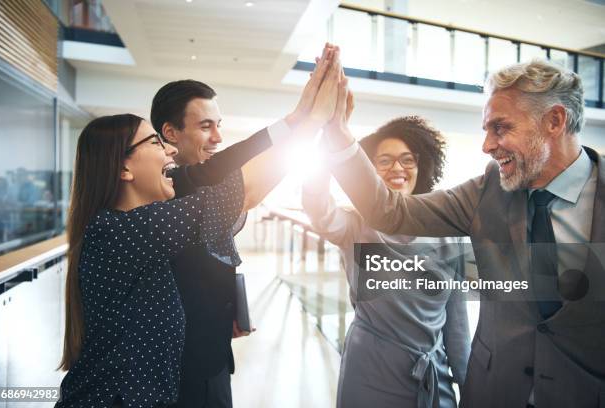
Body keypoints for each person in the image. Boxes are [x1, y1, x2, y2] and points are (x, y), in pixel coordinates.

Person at [57, 46, 343, 408]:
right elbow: (242, 191)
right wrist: (310, 122)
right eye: (156, 143)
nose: (170, 154)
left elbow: (220, 176)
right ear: (125, 168)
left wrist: (298, 120)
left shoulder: (133, 219)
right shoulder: (126, 229)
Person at [322, 58, 605, 408]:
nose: (487, 145)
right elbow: (389, 211)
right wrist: (338, 137)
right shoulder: (487, 191)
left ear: (555, 121)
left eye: (500, 128)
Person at [149, 44, 339, 408]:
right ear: (170, 133)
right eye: (206, 127)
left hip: (211, 349)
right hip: (181, 365)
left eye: (218, 125)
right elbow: (247, 191)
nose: (218, 137)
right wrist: (309, 121)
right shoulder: (165, 189)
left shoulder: (194, 184)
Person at [302, 116, 470, 408]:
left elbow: (457, 325)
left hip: (431, 374)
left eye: (408, 160)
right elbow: (318, 207)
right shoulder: (356, 226)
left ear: (423, 166)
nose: (397, 169)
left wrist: (470, 388)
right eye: (385, 161)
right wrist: (329, 141)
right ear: (369, 171)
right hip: (371, 371)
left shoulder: (448, 234)